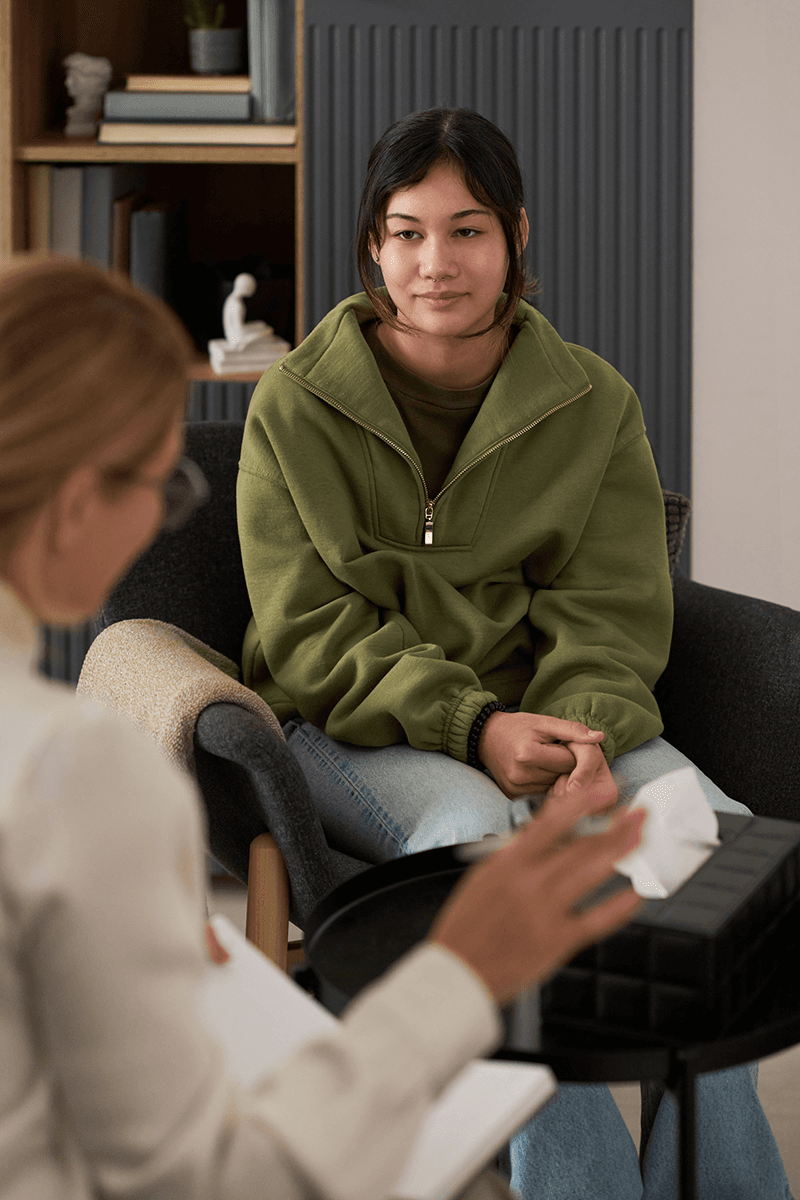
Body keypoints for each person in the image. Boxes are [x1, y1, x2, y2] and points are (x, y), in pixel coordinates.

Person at [0, 252, 649, 1200]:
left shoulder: (591, 401)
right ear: (71, 507)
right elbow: (212, 1180)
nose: (157, 524)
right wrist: (463, 977)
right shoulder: (77, 771)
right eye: (160, 487)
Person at [237, 108, 794, 1197]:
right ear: (372, 245)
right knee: (480, 850)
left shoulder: (592, 403)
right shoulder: (293, 408)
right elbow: (309, 629)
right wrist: (474, 728)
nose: (434, 264)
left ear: (516, 236)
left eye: (467, 231)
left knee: (709, 857)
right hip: (358, 726)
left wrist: (583, 738)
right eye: (406, 233)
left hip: (558, 715)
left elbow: (610, 608)